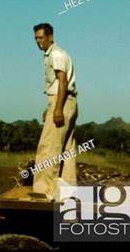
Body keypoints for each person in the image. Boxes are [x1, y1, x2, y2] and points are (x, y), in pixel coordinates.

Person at [31, 23, 78, 200]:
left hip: (63, 101)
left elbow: (63, 82)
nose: (38, 42)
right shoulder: (53, 54)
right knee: (67, 147)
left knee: (49, 147)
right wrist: (50, 107)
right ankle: (67, 192)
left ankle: (45, 191)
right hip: (65, 101)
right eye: (36, 38)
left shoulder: (56, 54)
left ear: (50, 37)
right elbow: (58, 85)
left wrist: (57, 108)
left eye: (41, 38)